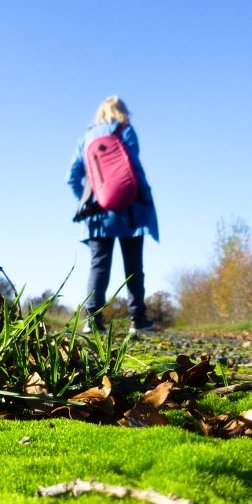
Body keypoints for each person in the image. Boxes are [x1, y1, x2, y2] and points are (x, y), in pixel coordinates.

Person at [67, 95, 159, 334]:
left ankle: (93, 320)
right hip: (130, 210)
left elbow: (72, 176)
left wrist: (88, 200)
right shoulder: (126, 130)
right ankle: (137, 319)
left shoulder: (86, 137)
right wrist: (145, 198)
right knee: (133, 266)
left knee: (98, 265)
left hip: (98, 214)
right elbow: (134, 168)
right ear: (123, 112)